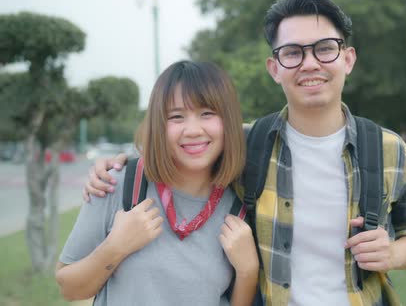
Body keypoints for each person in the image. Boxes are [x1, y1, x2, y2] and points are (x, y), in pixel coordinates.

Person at [84, 0, 406, 306]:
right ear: (274, 67)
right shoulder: (244, 144)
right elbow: (179, 143)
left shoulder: (388, 149)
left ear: (347, 59)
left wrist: (392, 253)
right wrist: (118, 164)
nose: (310, 63)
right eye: (293, 53)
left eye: (325, 49)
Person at [56, 61, 259, 306]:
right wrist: (116, 246)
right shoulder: (117, 185)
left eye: (207, 113)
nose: (192, 130)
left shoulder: (239, 206)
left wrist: (248, 271)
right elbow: (69, 289)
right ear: (158, 125)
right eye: (176, 116)